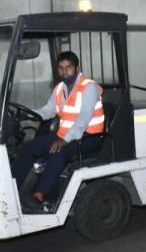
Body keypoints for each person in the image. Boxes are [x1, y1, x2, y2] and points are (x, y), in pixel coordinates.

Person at [13, 51, 105, 209]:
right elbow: (48, 110)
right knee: (28, 148)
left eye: (68, 67)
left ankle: (39, 195)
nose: (65, 71)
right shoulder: (59, 88)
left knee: (57, 151)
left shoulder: (89, 87)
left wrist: (64, 140)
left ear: (77, 68)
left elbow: (83, 119)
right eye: (61, 68)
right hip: (66, 135)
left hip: (89, 137)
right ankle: (12, 189)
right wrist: (28, 115)